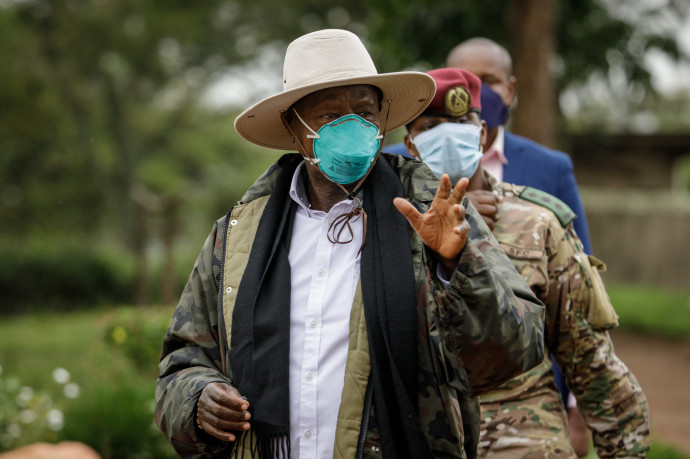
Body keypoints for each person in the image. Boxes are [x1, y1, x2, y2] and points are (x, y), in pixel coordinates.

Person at [155, 29, 546, 459]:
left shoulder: (430, 210)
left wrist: (456, 266)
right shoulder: (237, 234)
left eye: (364, 111)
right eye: (329, 117)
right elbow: (182, 360)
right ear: (294, 126)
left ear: (382, 118)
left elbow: (515, 351)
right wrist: (198, 398)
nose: (353, 127)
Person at [403, 67, 651, 458]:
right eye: (431, 126)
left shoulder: (537, 222)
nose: (447, 135)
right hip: (426, 434)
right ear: (410, 145)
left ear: (482, 133)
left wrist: (624, 450)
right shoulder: (390, 227)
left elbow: (589, 357)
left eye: (461, 122)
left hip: (524, 433)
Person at [445, 37, 592, 255]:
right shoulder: (403, 161)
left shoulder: (552, 168)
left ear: (510, 90)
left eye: (490, 81)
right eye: (466, 81)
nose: (478, 92)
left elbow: (581, 262)